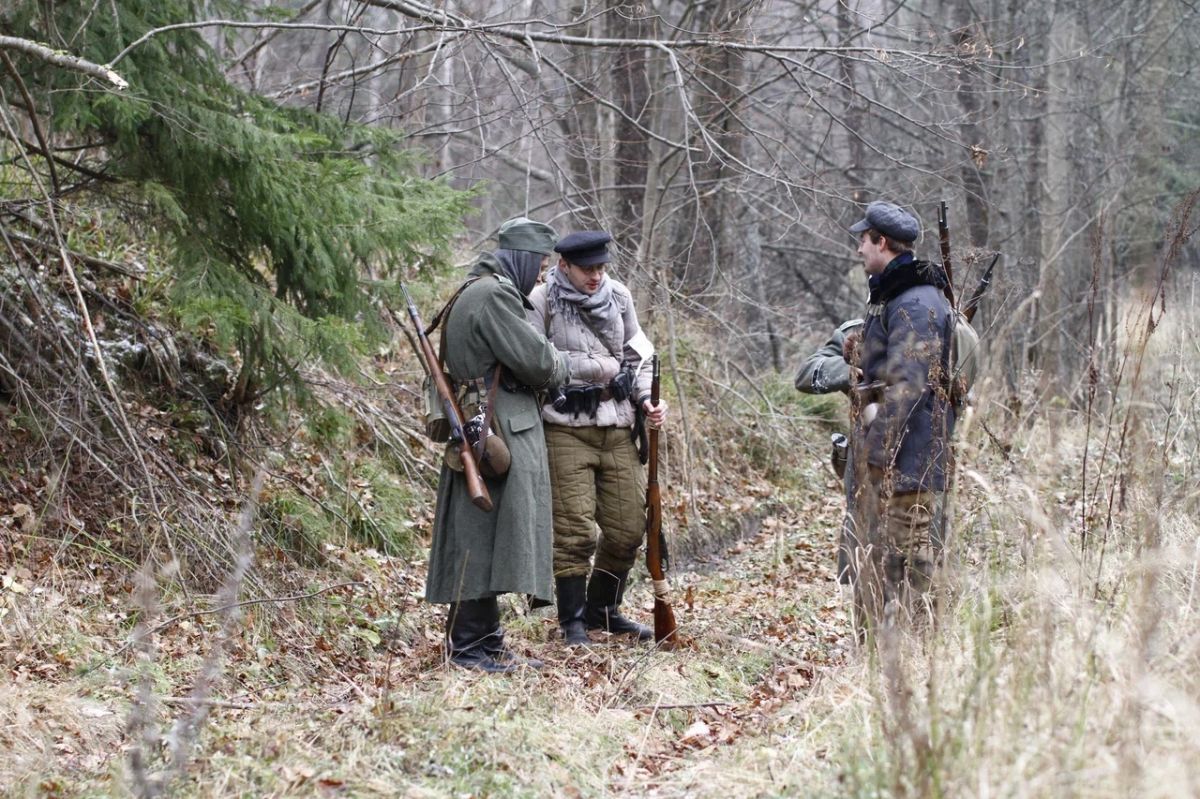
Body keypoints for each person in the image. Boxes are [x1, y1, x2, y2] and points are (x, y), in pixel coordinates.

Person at [425, 217, 570, 673]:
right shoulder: (493, 294)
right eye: (541, 264)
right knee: (481, 536)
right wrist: (561, 362)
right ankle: (471, 648)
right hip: (500, 428)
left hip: (486, 427)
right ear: (524, 259)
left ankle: (484, 642)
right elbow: (539, 363)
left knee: (482, 535)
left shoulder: (477, 289)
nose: (543, 275)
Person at [528, 231, 669, 646]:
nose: (596, 276)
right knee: (574, 531)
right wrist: (582, 369)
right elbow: (531, 362)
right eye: (587, 268)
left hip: (618, 425)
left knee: (628, 528)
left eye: (601, 267)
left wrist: (647, 399)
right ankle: (572, 622)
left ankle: (603, 610)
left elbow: (639, 357)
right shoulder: (541, 301)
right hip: (565, 427)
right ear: (565, 266)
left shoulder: (619, 297)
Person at [846, 201, 956, 634]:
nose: (859, 249)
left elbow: (909, 387)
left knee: (911, 562)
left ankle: (921, 654)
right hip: (898, 456)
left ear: (883, 243)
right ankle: (879, 651)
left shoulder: (914, 302)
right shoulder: (896, 295)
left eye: (864, 240)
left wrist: (875, 455)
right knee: (882, 558)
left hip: (907, 463)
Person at [795, 318, 864, 587]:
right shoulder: (859, 331)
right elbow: (806, 374)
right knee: (859, 550)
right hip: (866, 466)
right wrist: (853, 368)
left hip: (922, 467)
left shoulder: (942, 325)